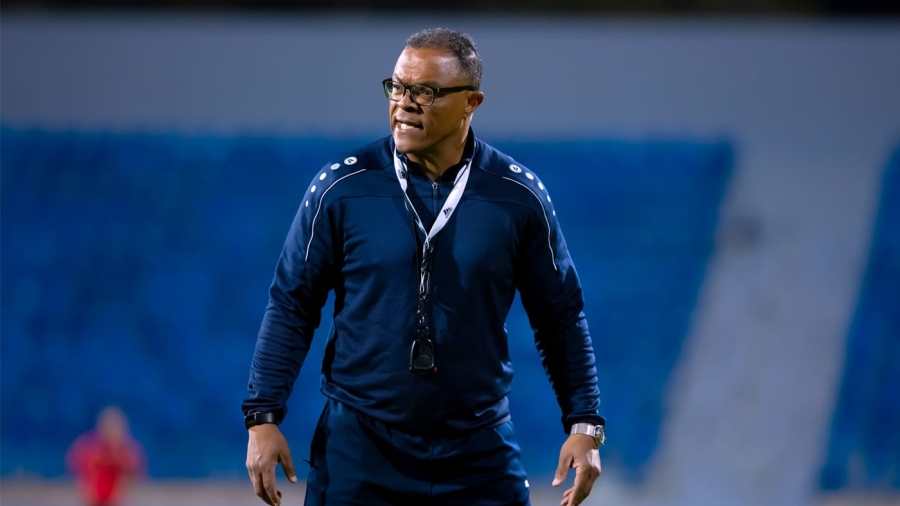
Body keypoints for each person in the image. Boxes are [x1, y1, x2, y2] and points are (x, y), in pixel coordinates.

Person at [243, 27, 606, 506]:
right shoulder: (342, 188)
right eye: (397, 87)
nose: (405, 103)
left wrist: (585, 424)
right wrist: (263, 417)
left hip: (478, 451)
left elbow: (561, 317)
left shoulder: (518, 197)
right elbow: (292, 304)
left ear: (471, 102)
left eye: (427, 92)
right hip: (360, 451)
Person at [66, 406, 145, 506]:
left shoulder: (128, 450)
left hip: (116, 499)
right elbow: (74, 462)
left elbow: (137, 473)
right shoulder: (88, 447)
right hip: (92, 499)